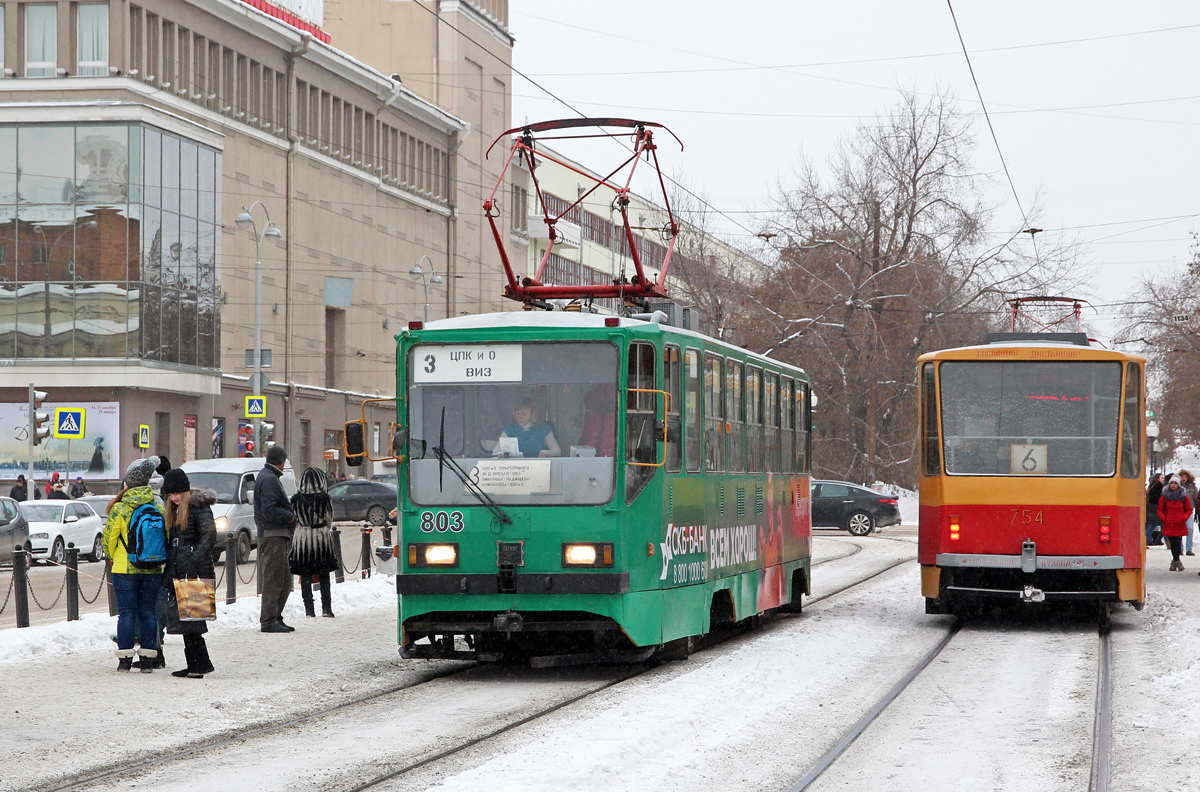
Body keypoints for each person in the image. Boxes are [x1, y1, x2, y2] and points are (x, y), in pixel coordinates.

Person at [102, 457, 166, 672]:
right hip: (153, 567)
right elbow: (165, 536)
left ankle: (125, 660)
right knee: (149, 613)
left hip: (124, 568)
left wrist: (114, 557)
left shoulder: (120, 508)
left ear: (128, 484)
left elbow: (109, 539)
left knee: (127, 613)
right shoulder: (157, 506)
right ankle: (148, 660)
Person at [161, 469, 217, 678]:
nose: (174, 497)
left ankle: (199, 663)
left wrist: (194, 562)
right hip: (180, 567)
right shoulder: (174, 509)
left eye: (177, 493)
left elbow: (209, 535)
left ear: (185, 491)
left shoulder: (197, 506)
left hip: (194, 568)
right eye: (171, 494)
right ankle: (196, 662)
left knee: (193, 617)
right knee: (185, 618)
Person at [255, 445, 297, 633]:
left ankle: (275, 617)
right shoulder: (270, 479)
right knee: (274, 579)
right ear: (282, 462)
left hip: (276, 534)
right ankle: (269, 620)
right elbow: (269, 510)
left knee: (284, 580)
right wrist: (289, 516)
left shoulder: (268, 476)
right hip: (273, 535)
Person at [289, 468, 338, 619]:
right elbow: (329, 519)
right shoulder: (325, 498)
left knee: (305, 576)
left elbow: (293, 519)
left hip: (302, 538)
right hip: (321, 538)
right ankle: (326, 608)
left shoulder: (295, 499)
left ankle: (309, 610)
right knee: (324, 575)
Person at [1158, 474, 1192, 572]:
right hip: (1169, 523)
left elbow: (1188, 509)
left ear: (1178, 485)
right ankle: (1177, 561)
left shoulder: (1183, 497)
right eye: (1172, 483)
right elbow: (1160, 509)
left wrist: (1183, 518)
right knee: (1172, 543)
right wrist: (1164, 518)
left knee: (1178, 541)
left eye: (1175, 483)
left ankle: (1175, 561)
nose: (1173, 485)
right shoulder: (1164, 497)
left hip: (1179, 523)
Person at [1181, 470, 1198, 556]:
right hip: (1179, 510)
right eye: (1182, 476)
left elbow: (1196, 499)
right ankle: (1180, 548)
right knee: (1179, 529)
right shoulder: (1178, 486)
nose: (1183, 478)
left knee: (1190, 529)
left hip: (1189, 510)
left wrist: (1197, 510)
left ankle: (1189, 548)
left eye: (1185, 476)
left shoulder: (1193, 487)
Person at [1146, 473, 1165, 546]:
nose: (1163, 479)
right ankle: (1150, 538)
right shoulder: (1158, 487)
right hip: (1155, 508)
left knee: (1153, 524)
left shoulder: (1153, 486)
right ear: (1158, 479)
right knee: (1155, 524)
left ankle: (1149, 539)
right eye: (1162, 478)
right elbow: (1157, 498)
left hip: (1152, 507)